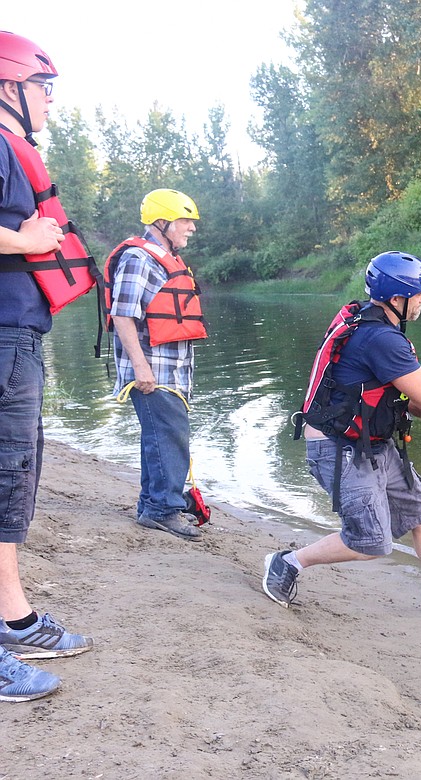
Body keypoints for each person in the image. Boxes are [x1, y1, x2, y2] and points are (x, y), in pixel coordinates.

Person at [263, 251, 421, 624]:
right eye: (420, 294)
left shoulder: (374, 324)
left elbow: (380, 393)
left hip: (372, 443)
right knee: (370, 543)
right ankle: (287, 562)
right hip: (336, 448)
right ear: (396, 299)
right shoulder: (379, 337)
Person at [0, 30, 94, 702]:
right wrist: (25, 238)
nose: (52, 103)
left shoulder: (14, 150)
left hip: (17, 335)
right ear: (11, 85)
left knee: (11, 485)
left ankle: (13, 618)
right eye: (44, 88)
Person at [104, 189, 207, 541]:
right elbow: (122, 315)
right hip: (154, 370)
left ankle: (152, 506)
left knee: (160, 438)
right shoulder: (139, 259)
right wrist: (141, 368)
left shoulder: (165, 259)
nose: (191, 227)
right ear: (162, 222)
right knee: (170, 437)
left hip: (172, 369)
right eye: (185, 220)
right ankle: (164, 509)